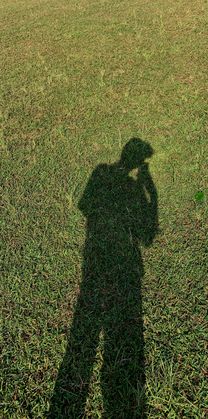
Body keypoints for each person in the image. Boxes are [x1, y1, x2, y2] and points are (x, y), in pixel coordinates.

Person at [48, 138, 158, 418]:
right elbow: (147, 235)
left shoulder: (100, 172)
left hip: (96, 258)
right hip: (123, 265)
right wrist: (151, 193)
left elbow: (86, 205)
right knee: (121, 335)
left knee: (83, 333)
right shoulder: (133, 189)